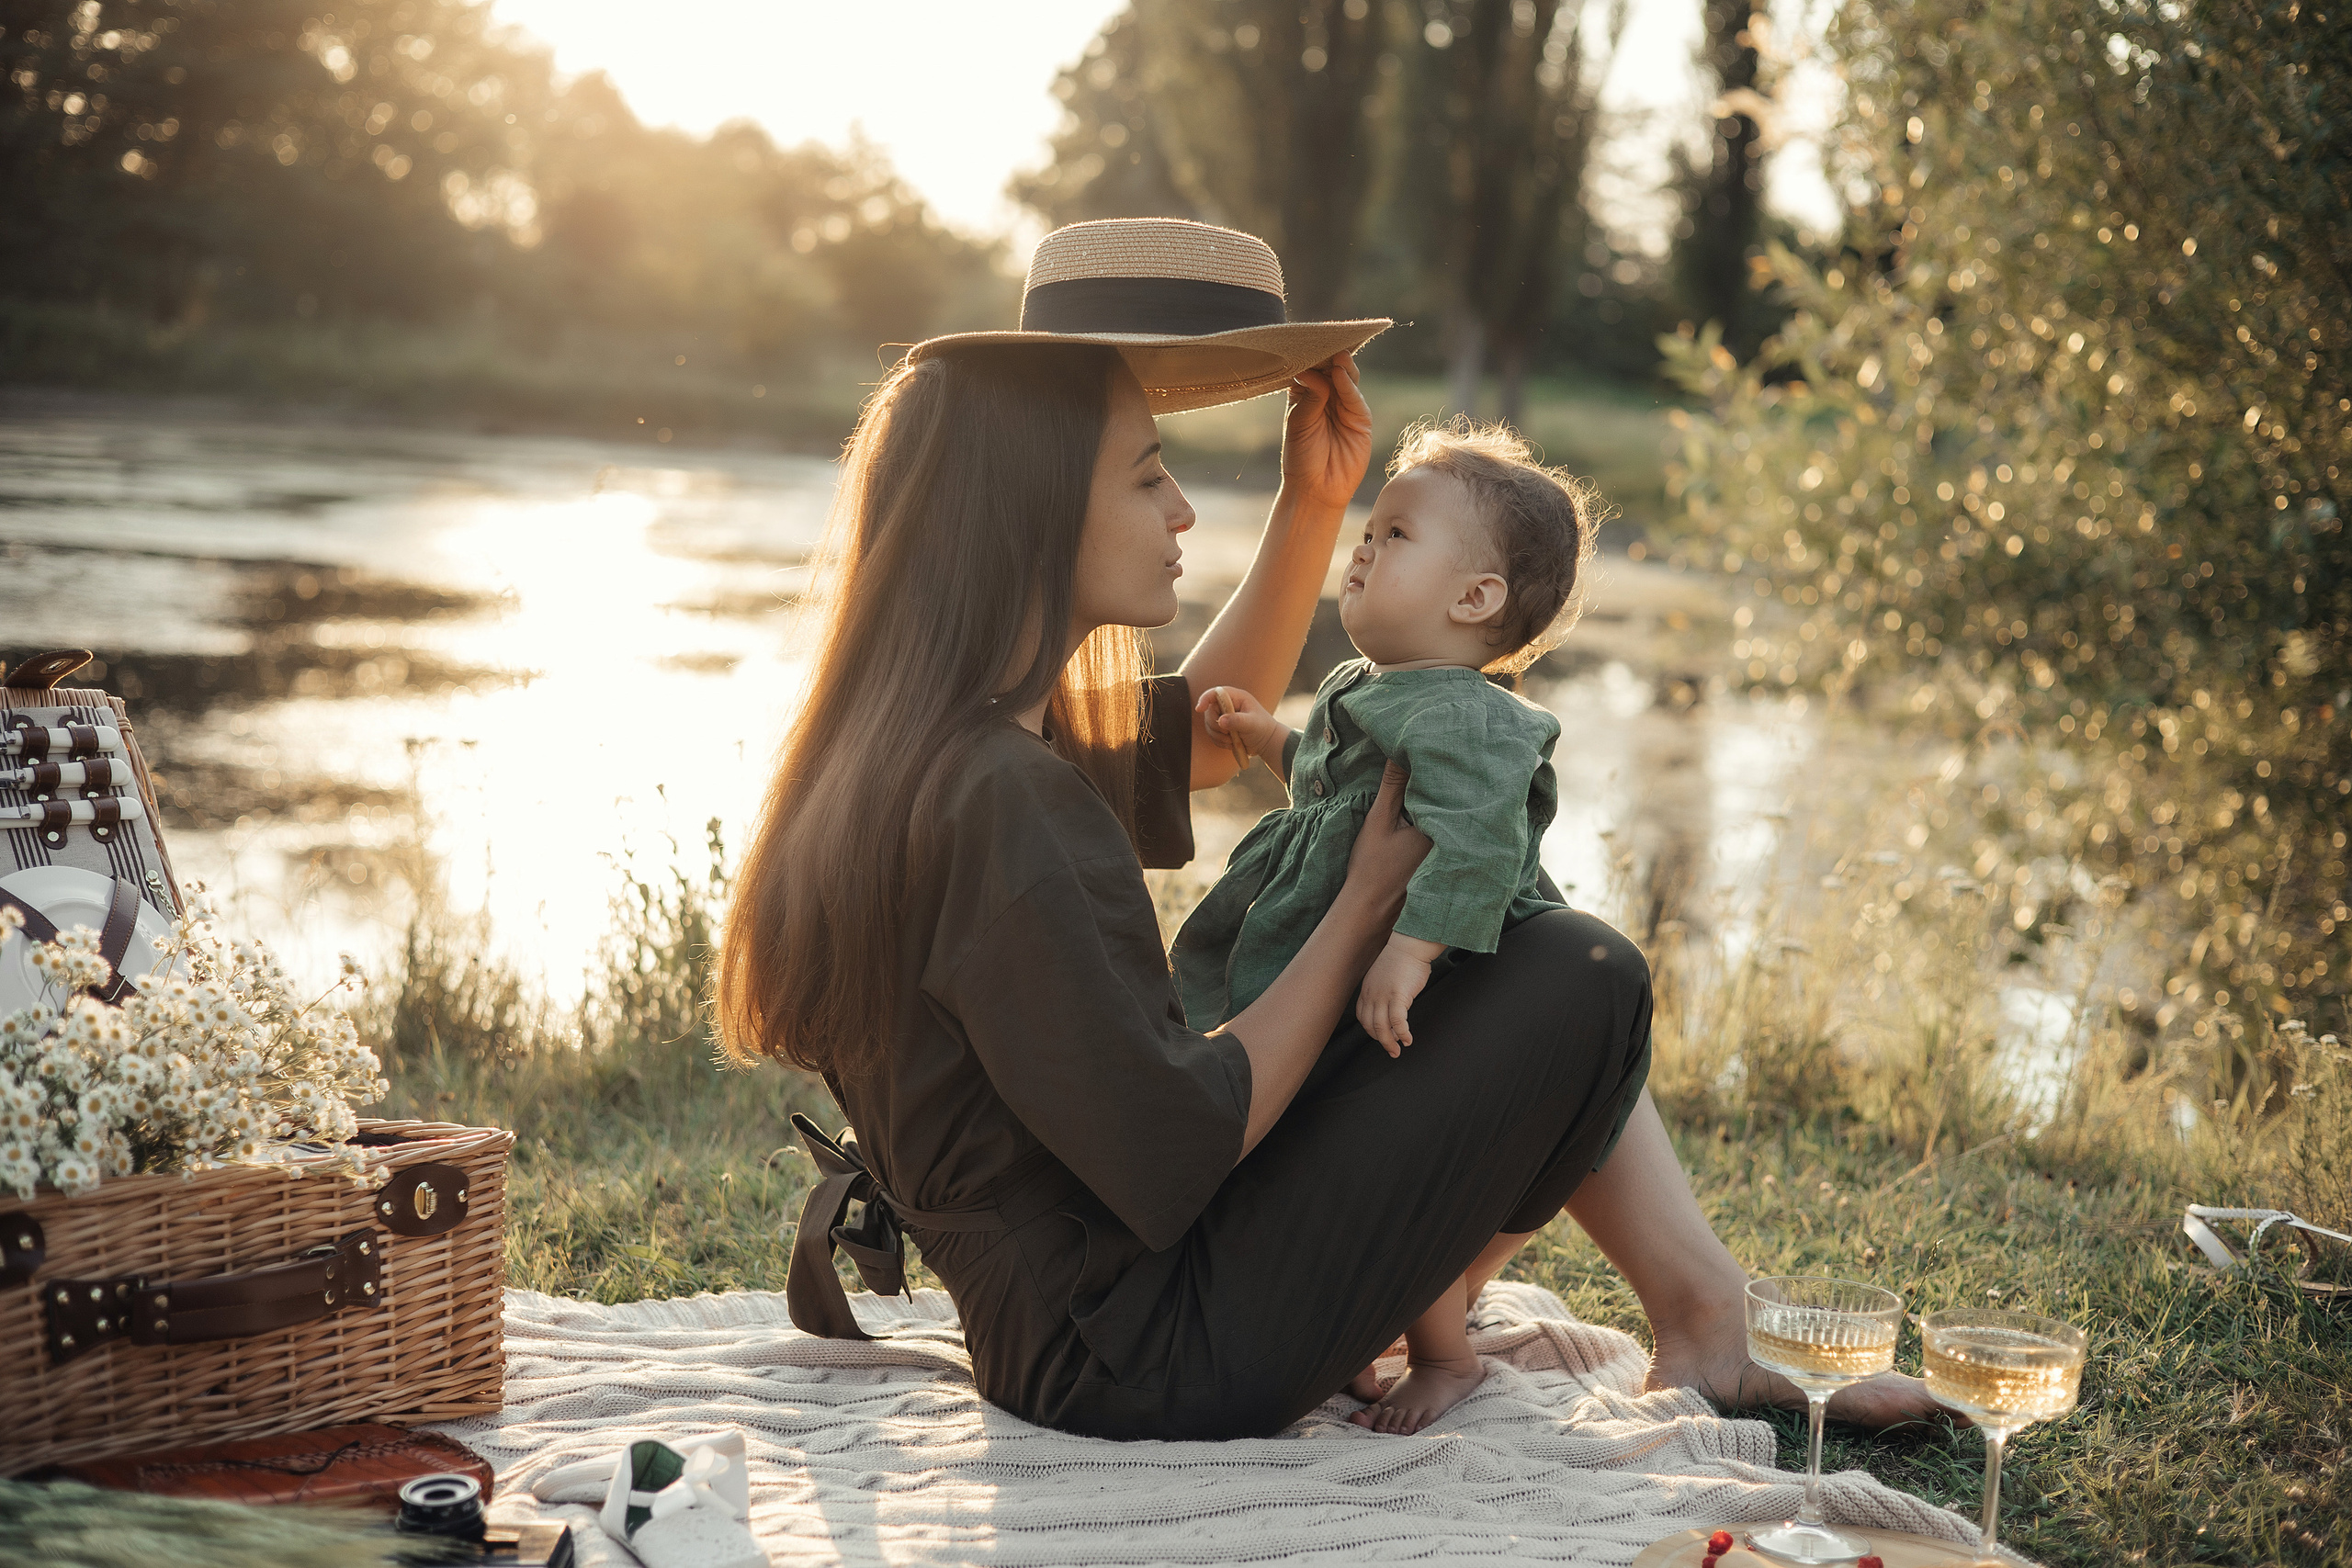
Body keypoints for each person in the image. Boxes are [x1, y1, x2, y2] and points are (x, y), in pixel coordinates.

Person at [718, 218, 1947, 1441]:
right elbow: (1173, 1145)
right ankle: (1658, 1317)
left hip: (1076, 1327)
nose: (1184, 507)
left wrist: (1314, 504)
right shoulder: (1005, 791)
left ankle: (1666, 1314)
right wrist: (1364, 902)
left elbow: (1204, 729)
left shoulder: (941, 742)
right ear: (1037, 506)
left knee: (1509, 943)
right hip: (1150, 1351)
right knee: (1580, 971)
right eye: (1149, 472)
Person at [1172, 420, 1600, 1432]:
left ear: (1475, 598)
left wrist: (1409, 955)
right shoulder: (1367, 690)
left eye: (1395, 534)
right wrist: (1266, 735)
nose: (1362, 547)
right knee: (1323, 1158)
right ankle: (1350, 1331)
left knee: (1398, 1180)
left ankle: (1445, 1360)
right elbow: (1340, 798)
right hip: (1343, 967)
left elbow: (1483, 846)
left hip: (1429, 992)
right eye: (1368, 528)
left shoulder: (1469, 716)